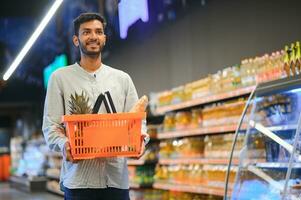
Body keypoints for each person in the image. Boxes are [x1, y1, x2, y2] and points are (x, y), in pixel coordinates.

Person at [42, 13, 148, 200]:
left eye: (98, 32)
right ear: (76, 40)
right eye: (86, 32)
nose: (93, 36)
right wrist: (64, 144)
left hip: (115, 180)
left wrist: (141, 140)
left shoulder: (122, 79)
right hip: (79, 182)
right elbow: (51, 126)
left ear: (104, 39)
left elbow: (139, 122)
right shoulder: (60, 78)